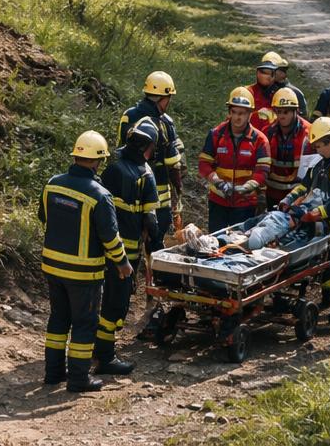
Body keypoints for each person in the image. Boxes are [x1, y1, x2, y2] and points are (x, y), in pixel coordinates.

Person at [39, 131, 131, 392]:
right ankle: (79, 379)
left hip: (52, 267)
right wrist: (122, 263)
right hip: (83, 273)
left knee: (58, 319)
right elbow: (110, 237)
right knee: (84, 324)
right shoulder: (99, 195)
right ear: (98, 161)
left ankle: (54, 373)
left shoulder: (52, 184)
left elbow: (44, 217)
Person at [277, 116, 330, 329]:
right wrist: (287, 200)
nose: (318, 151)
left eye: (321, 146)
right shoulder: (324, 163)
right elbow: (305, 185)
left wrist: (315, 214)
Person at [95, 117, 161, 376]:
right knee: (117, 304)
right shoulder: (146, 174)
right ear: (149, 147)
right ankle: (106, 355)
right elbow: (151, 221)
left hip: (101, 251)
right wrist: (157, 246)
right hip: (127, 254)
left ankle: (95, 347)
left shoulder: (112, 169)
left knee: (102, 298)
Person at [198, 86, 272, 232]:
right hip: (218, 200)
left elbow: (263, 171)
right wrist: (217, 181)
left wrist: (248, 186)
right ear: (229, 112)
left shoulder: (260, 140)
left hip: (245, 204)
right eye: (234, 112)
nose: (238, 117)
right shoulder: (216, 134)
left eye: (242, 113)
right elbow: (204, 164)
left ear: (250, 114)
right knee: (214, 242)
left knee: (239, 245)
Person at [117, 71, 185, 225]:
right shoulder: (166, 122)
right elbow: (173, 164)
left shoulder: (128, 115)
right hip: (158, 197)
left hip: (129, 191)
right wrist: (178, 192)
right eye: (169, 98)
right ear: (162, 98)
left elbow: (120, 148)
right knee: (156, 239)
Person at [262, 88, 312, 210]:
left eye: (286, 112)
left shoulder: (309, 133)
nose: (282, 116)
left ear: (296, 111)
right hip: (271, 194)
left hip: (299, 197)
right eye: (279, 112)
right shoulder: (267, 133)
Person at [247, 54, 280, 133]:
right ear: (257, 73)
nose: (268, 76)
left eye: (271, 73)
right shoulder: (248, 92)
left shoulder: (280, 94)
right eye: (263, 72)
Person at [269, 53, 309, 118]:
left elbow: (304, 117)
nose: (269, 73)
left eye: (272, 70)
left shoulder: (296, 93)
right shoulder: (265, 89)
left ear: (283, 73)